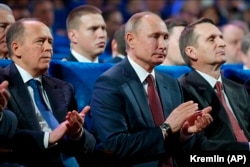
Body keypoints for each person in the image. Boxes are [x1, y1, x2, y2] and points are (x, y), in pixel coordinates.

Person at [90, 12, 212, 167]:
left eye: (165, 37)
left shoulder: (171, 84)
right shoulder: (109, 83)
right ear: (130, 40)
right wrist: (166, 129)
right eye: (155, 36)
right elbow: (115, 145)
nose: (162, 45)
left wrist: (185, 133)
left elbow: (181, 148)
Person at [2, 18, 96, 166]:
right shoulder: (2, 84)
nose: (48, 48)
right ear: (16, 48)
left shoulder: (64, 88)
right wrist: (48, 138)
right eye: (40, 41)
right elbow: (5, 136)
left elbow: (89, 146)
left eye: (50, 42)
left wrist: (77, 134)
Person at [178, 17, 250, 151]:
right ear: (191, 52)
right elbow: (199, 146)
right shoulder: (182, 89)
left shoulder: (238, 89)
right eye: (211, 39)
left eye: (221, 37)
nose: (222, 43)